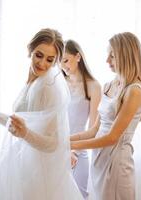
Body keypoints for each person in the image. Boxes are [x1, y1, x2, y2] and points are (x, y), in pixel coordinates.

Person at [0, 28, 83, 200]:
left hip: (39, 171)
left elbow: (54, 144)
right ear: (31, 50)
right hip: (22, 162)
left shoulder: (49, 87)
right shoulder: (34, 79)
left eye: (50, 60)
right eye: (39, 55)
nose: (42, 63)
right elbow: (16, 123)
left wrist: (25, 134)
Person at [70, 32, 141, 200]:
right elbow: (94, 131)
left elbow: (112, 138)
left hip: (116, 162)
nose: (107, 60)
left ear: (126, 56)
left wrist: (69, 145)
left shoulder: (134, 91)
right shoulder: (108, 86)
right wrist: (65, 139)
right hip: (98, 158)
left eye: (112, 55)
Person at [61, 39, 101, 199]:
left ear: (78, 57)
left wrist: (74, 152)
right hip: (57, 150)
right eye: (60, 63)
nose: (63, 66)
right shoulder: (59, 84)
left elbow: (93, 129)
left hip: (78, 153)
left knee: (79, 195)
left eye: (66, 60)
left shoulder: (94, 86)